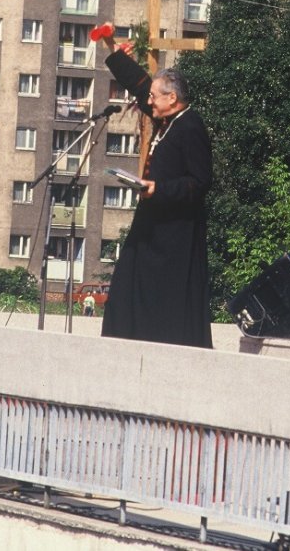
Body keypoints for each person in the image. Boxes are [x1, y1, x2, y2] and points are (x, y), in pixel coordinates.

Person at [95, 24, 213, 348]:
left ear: (172, 98)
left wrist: (158, 189)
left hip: (175, 237)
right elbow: (140, 85)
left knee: (164, 305)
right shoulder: (167, 118)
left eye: (154, 97)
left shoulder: (190, 125)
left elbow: (200, 182)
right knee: (126, 290)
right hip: (151, 227)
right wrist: (113, 52)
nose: (148, 101)